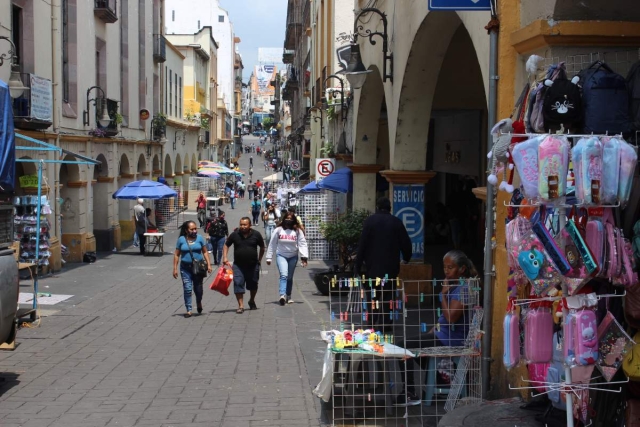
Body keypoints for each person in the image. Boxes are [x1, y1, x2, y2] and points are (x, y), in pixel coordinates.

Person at [399, 250, 478, 405]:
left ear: (461, 269)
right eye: (445, 267)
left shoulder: (463, 289)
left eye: (451, 267)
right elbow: (443, 320)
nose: (446, 271)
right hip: (444, 334)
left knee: (403, 346)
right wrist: (434, 330)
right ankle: (439, 381)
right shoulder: (455, 286)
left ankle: (410, 393)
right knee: (413, 346)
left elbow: (450, 318)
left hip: (453, 339)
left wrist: (442, 296)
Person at [354, 197, 412, 330]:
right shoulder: (396, 222)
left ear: (377, 207)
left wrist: (357, 265)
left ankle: (372, 322)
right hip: (390, 268)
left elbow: (362, 245)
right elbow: (406, 244)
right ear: (390, 208)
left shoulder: (369, 221)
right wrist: (406, 258)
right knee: (388, 296)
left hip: (372, 268)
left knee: (372, 296)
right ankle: (386, 323)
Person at [223, 217, 265, 314]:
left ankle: (251, 300)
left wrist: (259, 259)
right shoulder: (235, 234)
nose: (243, 226)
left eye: (245, 225)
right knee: (238, 283)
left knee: (253, 285)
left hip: (253, 265)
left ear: (250, 225)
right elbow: (226, 245)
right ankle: (241, 306)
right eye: (241, 224)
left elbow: (262, 247)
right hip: (238, 265)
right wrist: (225, 257)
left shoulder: (256, 234)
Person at [266, 211, 309, 305]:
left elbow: (302, 244)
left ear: (294, 220)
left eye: (291, 219)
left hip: (293, 256)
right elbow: (272, 243)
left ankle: (288, 295)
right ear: (283, 219)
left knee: (289, 277)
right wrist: (269, 257)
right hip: (281, 255)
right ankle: (282, 295)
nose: (288, 220)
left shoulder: (298, 231)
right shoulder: (278, 230)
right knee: (284, 275)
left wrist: (304, 258)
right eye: (287, 218)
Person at [172, 221, 212, 318]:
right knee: (187, 289)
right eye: (192, 229)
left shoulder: (200, 239)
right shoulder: (181, 240)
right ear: (186, 230)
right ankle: (189, 309)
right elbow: (177, 254)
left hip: (198, 268)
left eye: (195, 229)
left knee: (198, 289)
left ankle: (199, 301)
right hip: (185, 268)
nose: (194, 231)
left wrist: (209, 265)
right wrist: (175, 268)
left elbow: (205, 252)